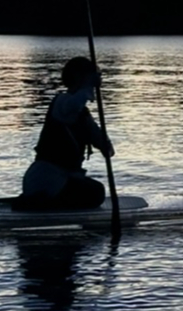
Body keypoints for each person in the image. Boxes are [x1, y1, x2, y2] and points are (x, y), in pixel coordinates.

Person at [14, 56, 114, 211]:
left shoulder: (84, 115)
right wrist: (88, 85)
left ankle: (43, 202)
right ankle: (37, 202)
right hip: (44, 179)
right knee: (95, 192)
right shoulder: (62, 102)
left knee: (97, 190)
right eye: (90, 79)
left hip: (63, 180)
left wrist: (105, 145)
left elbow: (99, 138)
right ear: (78, 78)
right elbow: (74, 105)